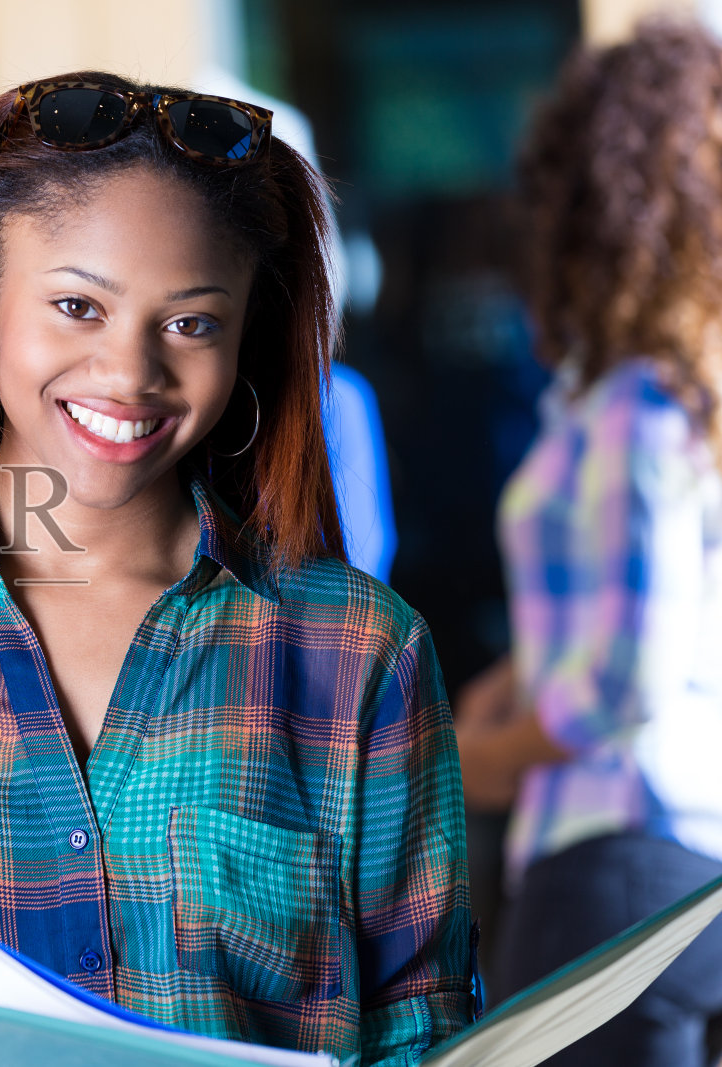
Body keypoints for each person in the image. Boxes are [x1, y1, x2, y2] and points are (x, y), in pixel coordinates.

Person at [0, 72, 475, 1067]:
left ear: (244, 340)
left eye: (191, 322)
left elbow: (423, 1028)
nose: (129, 372)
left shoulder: (358, 650)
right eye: (76, 306)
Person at [455, 20, 722, 1066]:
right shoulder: (690, 414)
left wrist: (473, 756)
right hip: (687, 866)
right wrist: (513, 672)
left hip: (609, 882)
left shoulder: (633, 409)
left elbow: (620, 683)